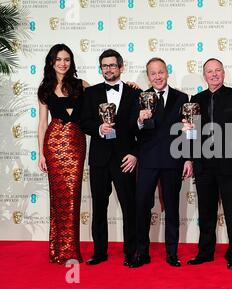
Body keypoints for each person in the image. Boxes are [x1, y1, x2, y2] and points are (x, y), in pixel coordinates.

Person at [186, 58, 232, 270]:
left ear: (224, 73)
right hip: (204, 165)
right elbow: (193, 134)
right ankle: (205, 252)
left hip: (231, 164)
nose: (214, 75)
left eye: (217, 71)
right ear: (204, 76)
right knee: (206, 212)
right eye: (209, 72)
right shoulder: (196, 99)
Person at [131, 57, 193, 268]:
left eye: (161, 72)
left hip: (173, 160)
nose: (157, 76)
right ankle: (142, 251)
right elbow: (132, 129)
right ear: (148, 76)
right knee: (142, 206)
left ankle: (172, 253)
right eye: (153, 73)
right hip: (148, 160)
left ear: (167, 73)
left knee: (172, 207)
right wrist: (139, 120)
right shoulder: (141, 97)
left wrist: (188, 157)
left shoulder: (182, 97)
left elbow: (190, 131)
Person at [80, 49, 140, 266]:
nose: (108, 69)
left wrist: (135, 153)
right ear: (101, 68)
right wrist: (98, 128)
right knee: (98, 207)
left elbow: (141, 129)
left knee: (129, 207)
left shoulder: (135, 94)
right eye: (104, 66)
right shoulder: (91, 93)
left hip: (125, 159)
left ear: (121, 67)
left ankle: (131, 252)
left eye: (112, 65)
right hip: (99, 159)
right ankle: (99, 252)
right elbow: (83, 121)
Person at [38, 44, 88, 264]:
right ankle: (58, 249)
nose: (63, 63)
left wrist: (130, 86)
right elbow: (42, 124)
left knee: (73, 196)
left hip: (76, 144)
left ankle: (70, 250)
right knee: (58, 198)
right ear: (52, 62)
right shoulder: (45, 89)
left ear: (71, 62)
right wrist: (41, 153)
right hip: (54, 144)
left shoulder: (82, 85)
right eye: (58, 59)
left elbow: (106, 100)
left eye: (67, 59)